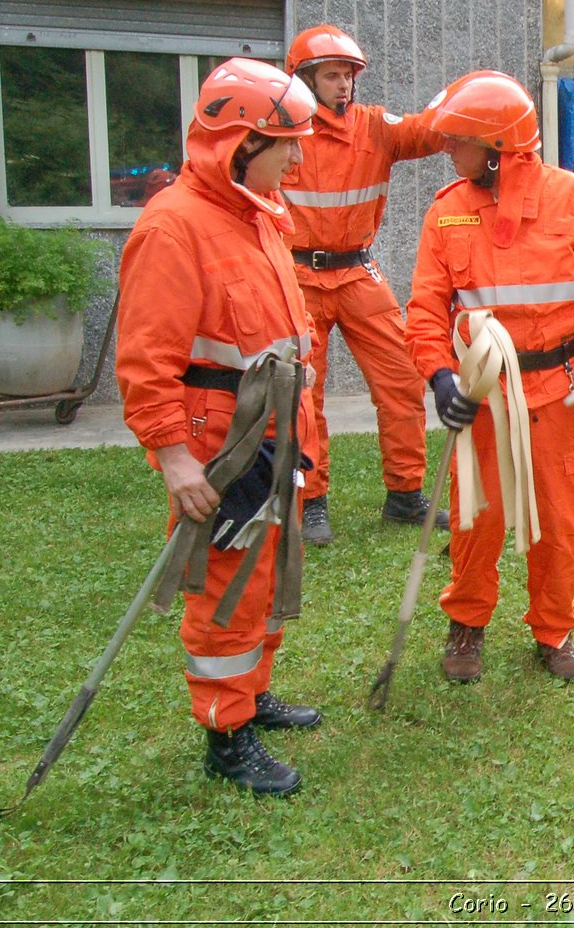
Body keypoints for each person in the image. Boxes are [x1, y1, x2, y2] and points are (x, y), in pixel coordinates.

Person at [116, 58, 323, 797]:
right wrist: (174, 458)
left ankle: (252, 694)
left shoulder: (258, 214)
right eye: (287, 143)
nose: (297, 157)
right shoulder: (173, 228)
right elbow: (146, 359)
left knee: (266, 576)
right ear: (239, 143)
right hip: (217, 446)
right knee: (228, 589)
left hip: (273, 434)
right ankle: (225, 734)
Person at [404, 70, 574, 682]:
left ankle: (553, 630)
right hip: (482, 393)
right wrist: (440, 379)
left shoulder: (572, 200)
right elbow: (426, 308)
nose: (449, 150)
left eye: (460, 139)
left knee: (558, 517)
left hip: (557, 389)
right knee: (476, 514)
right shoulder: (448, 213)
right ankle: (467, 627)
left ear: (499, 144)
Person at [281, 24, 447, 545]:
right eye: (332, 75)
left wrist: (469, 100)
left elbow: (429, 131)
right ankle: (310, 502)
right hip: (297, 275)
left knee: (401, 378)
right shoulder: (281, 131)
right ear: (304, 79)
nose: (344, 85)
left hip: (357, 271)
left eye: (349, 75)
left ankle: (405, 496)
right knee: (304, 394)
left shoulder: (375, 127)